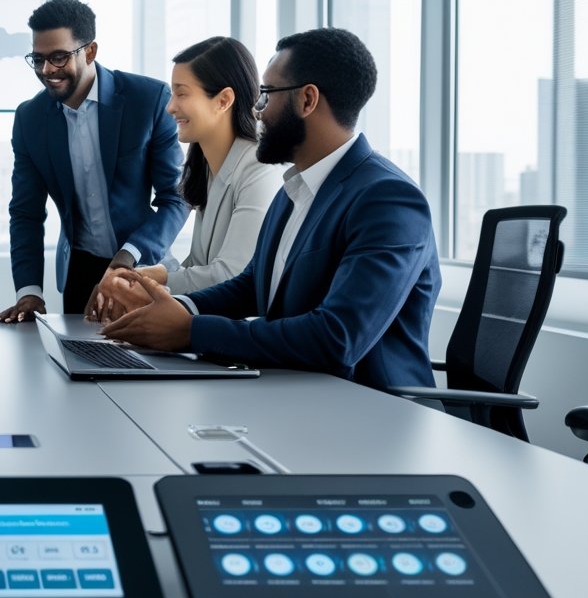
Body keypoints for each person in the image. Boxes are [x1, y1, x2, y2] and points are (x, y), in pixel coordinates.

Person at [101, 27, 440, 392]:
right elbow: (252, 286)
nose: (257, 111)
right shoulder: (294, 190)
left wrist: (189, 331)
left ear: (307, 100)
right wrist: (175, 308)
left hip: (373, 411)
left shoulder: (387, 199)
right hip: (301, 395)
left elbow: (337, 337)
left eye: (266, 95)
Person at [0, 0, 187, 321]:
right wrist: (29, 291)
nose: (46, 70)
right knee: (73, 366)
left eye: (58, 57)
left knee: (142, 365)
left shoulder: (148, 100)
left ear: (90, 51)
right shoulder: (30, 118)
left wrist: (127, 257)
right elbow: (25, 213)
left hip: (141, 263)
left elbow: (177, 197)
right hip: (79, 272)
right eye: (37, 59)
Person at [90, 36, 281, 320]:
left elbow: (231, 274)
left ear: (224, 100)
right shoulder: (205, 165)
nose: (170, 107)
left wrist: (148, 283)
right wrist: (136, 277)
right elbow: (200, 264)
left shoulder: (260, 167)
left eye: (181, 94)